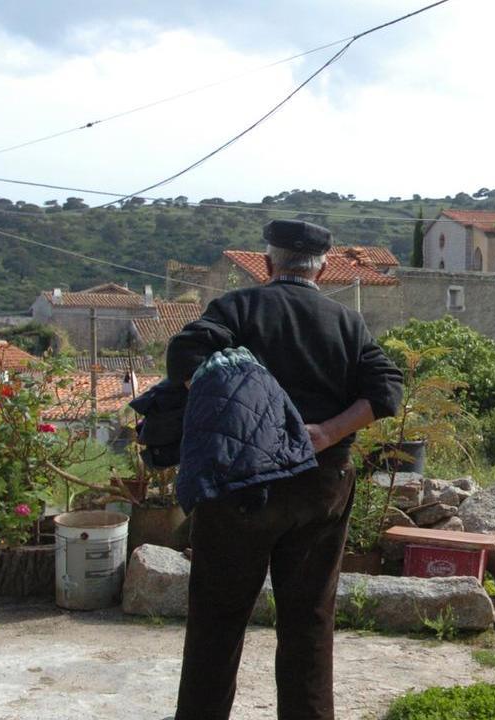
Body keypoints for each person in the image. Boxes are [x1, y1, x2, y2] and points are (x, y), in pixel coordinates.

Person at [166, 219, 403, 720]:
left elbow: (186, 353)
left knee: (217, 622)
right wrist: (327, 434)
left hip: (240, 487)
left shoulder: (238, 307)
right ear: (323, 268)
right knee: (309, 622)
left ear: (267, 263)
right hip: (321, 487)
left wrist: (246, 418)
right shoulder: (346, 322)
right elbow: (386, 391)